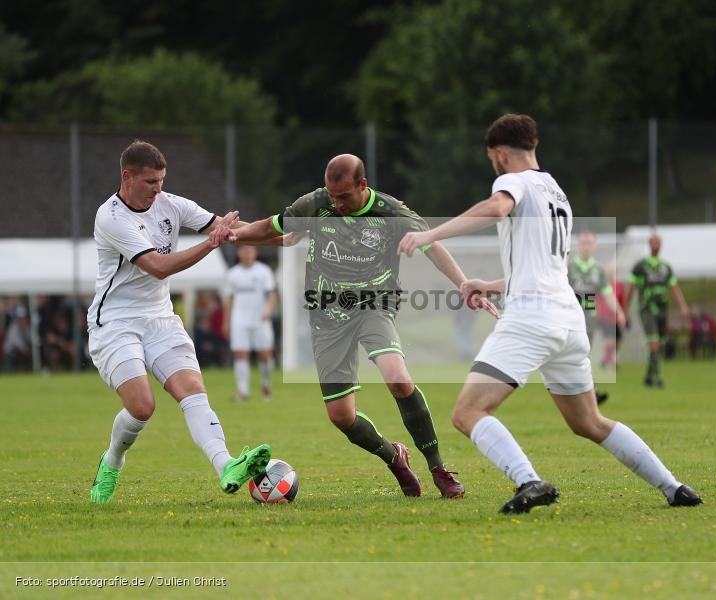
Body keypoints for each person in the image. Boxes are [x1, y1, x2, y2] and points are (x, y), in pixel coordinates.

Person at [398, 113, 702, 513]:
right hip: (569, 319)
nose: (494, 165)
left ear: (501, 154)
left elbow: (495, 207)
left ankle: (529, 481)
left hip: (532, 318)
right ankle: (673, 487)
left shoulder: (512, 182)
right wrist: (487, 285)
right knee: (589, 422)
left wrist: (430, 233)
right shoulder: (557, 192)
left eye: (493, 158)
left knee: (468, 411)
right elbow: (546, 268)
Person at [216, 154, 494, 499]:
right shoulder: (317, 203)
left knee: (398, 377)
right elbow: (273, 228)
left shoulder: (392, 214)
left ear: (363, 185)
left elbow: (432, 247)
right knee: (341, 415)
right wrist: (235, 235)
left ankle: (438, 467)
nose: (336, 204)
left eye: (343, 197)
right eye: (332, 196)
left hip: (374, 306)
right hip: (326, 316)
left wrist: (465, 284)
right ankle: (394, 458)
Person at [86, 140, 273, 504]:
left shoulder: (173, 205)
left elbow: (235, 231)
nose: (158, 189)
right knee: (142, 406)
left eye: (161, 180)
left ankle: (227, 466)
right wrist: (211, 244)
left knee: (191, 388)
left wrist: (292, 236)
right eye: (150, 182)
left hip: (160, 320)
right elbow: (157, 267)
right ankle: (112, 461)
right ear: (127, 177)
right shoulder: (110, 217)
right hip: (115, 323)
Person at [567, 230, 626, 403]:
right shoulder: (568, 267)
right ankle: (587, 391)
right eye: (583, 243)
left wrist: (619, 312)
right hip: (569, 318)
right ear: (578, 246)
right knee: (573, 355)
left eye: (589, 243)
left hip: (589, 321)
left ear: (595, 247)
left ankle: (587, 392)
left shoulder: (598, 270)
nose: (586, 246)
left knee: (583, 355)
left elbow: (607, 293)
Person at [624, 234, 689, 388]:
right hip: (647, 308)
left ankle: (647, 376)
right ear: (649, 244)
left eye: (658, 242)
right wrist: (624, 310)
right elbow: (631, 289)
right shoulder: (640, 266)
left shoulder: (665, 267)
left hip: (662, 309)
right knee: (653, 341)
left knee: (658, 343)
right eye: (654, 242)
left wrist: (683, 306)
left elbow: (674, 288)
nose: (656, 245)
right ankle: (658, 378)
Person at [224, 245, 277, 401]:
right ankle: (242, 392)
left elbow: (272, 294)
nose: (246, 253)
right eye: (243, 250)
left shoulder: (264, 271)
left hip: (261, 319)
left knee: (265, 355)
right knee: (240, 354)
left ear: (255, 252)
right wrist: (226, 322)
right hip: (239, 319)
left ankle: (266, 385)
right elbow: (229, 299)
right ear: (239, 252)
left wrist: (267, 310)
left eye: (249, 250)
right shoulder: (232, 274)